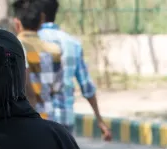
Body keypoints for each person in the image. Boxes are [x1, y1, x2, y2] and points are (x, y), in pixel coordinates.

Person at [39, 0, 112, 140]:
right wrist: (100, 120)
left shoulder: (30, 42)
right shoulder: (72, 43)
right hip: (65, 120)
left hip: (39, 119)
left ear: (39, 14)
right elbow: (87, 87)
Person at [12, 0, 63, 119]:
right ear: (42, 20)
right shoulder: (54, 50)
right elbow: (57, 87)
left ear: (17, 23)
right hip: (48, 120)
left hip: (21, 121)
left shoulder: (12, 49)